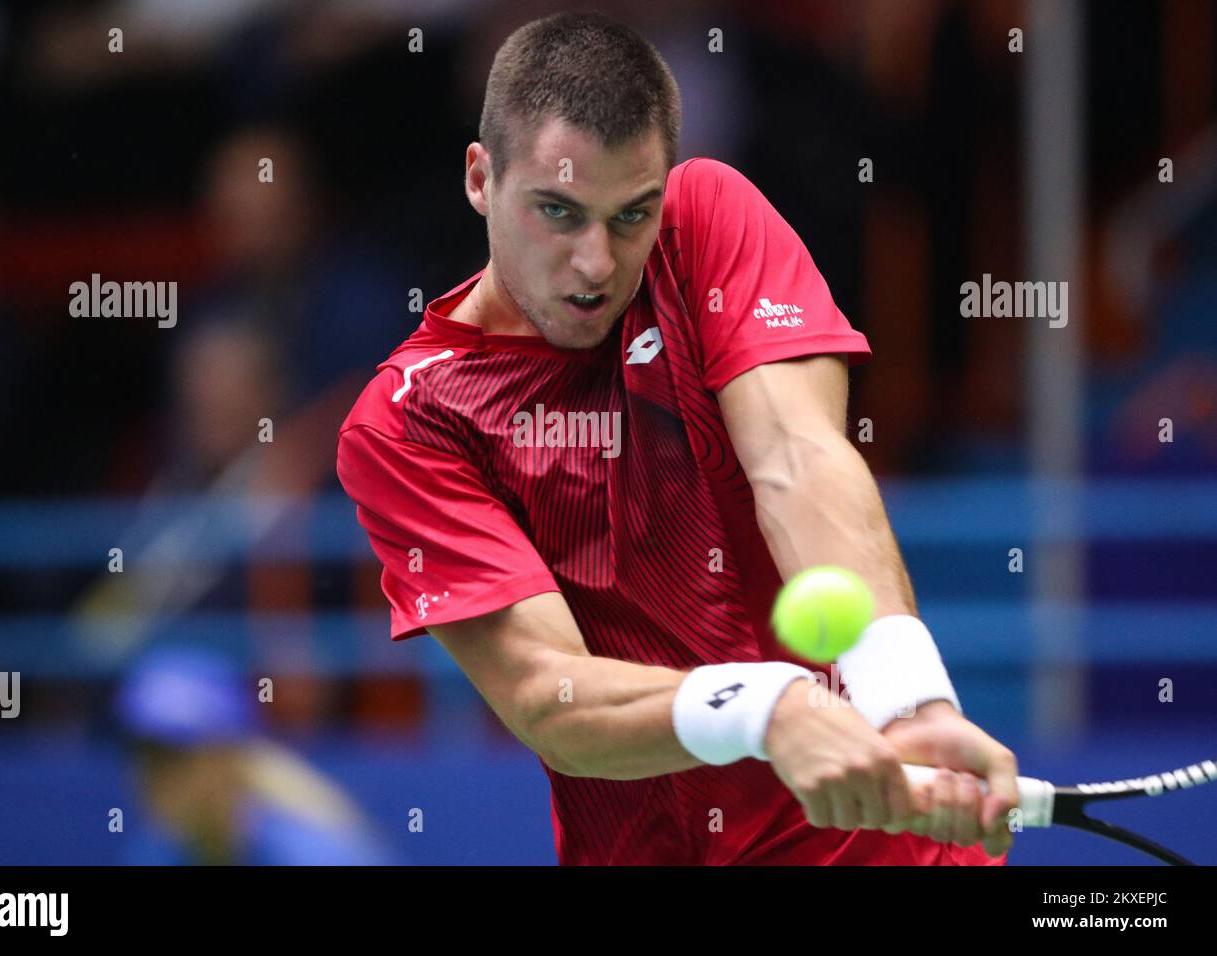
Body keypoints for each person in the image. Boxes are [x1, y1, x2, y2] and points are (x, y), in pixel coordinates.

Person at [336, 11, 1018, 865]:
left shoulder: (705, 216)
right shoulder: (412, 417)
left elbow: (798, 460)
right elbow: (549, 699)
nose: (596, 262)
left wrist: (912, 700)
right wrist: (770, 709)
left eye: (631, 215)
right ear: (481, 177)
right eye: (559, 211)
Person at [114, 646, 393, 865]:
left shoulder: (316, 856)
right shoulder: (156, 851)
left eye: (173, 757)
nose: (152, 777)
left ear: (226, 758)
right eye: (143, 756)